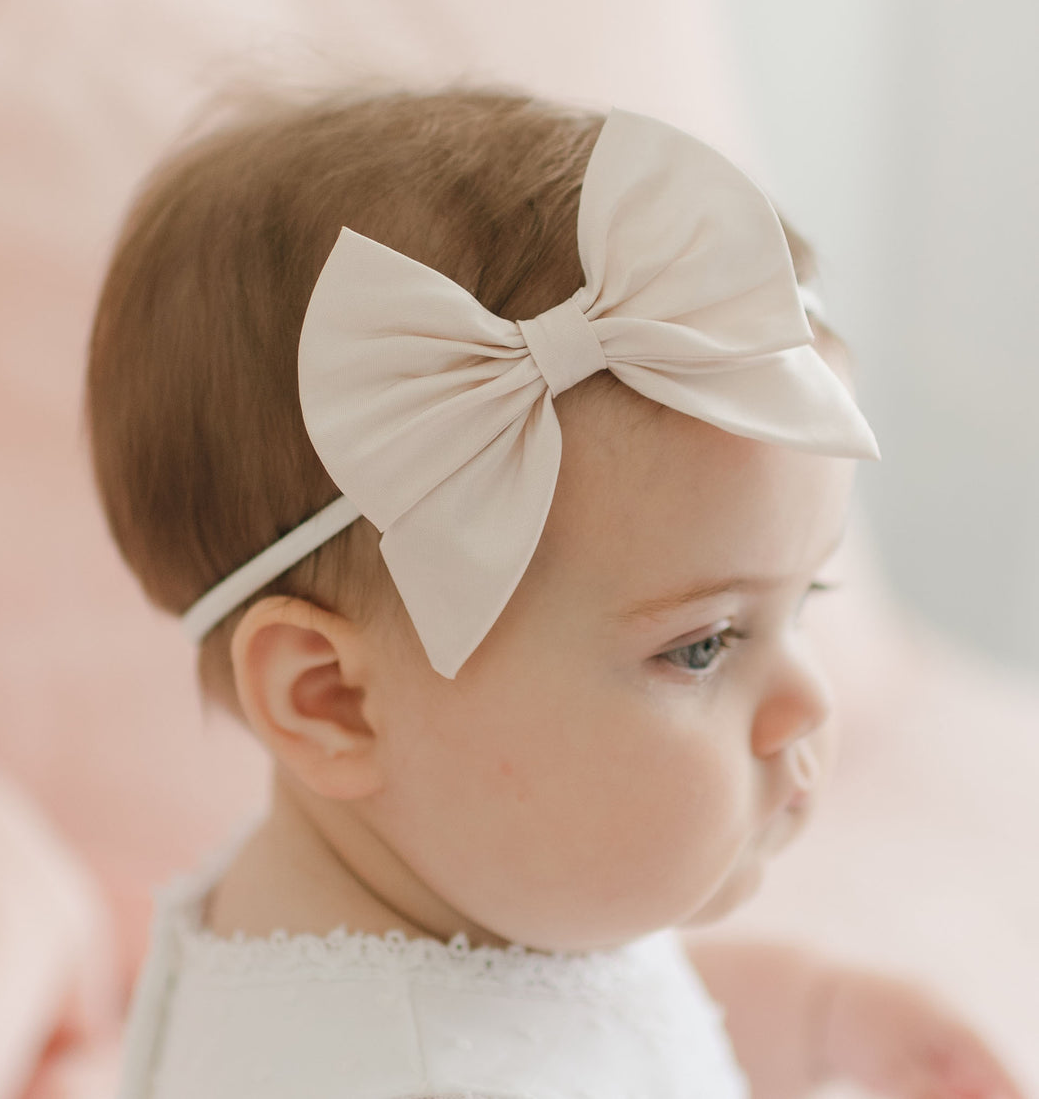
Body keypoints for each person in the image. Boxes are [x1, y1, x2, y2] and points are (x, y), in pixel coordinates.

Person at [88, 87, 1024, 1098]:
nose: (810, 701)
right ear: (333, 699)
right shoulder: (375, 1066)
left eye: (803, 602)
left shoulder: (454, 883)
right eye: (701, 644)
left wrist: (813, 1015)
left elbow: (581, 1018)